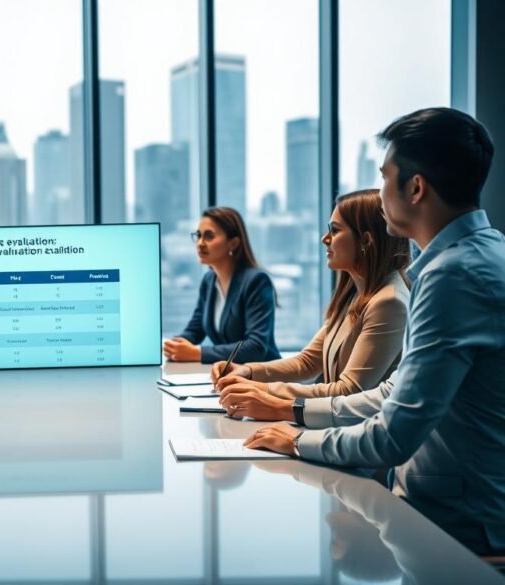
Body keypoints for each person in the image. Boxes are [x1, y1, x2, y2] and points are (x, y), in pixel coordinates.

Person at [221, 107, 505, 555]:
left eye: (384, 177)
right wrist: (293, 414)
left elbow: (395, 432)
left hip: (459, 531)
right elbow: (393, 391)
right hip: (445, 514)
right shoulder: (469, 258)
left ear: (415, 188)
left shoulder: (455, 275)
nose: (379, 192)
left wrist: (297, 440)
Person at [212, 190, 410, 398]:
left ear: (366, 240)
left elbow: (348, 390)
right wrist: (248, 372)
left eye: (334, 230)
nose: (325, 239)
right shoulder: (355, 292)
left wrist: (260, 389)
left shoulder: (388, 303)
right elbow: (306, 362)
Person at [163, 207, 281, 364]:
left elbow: (256, 347)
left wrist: (197, 353)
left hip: (263, 378)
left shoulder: (256, 281)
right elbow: (195, 330)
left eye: (209, 236)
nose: (200, 243)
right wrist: (174, 345)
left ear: (233, 244)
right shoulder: (209, 281)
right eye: (198, 236)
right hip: (231, 377)